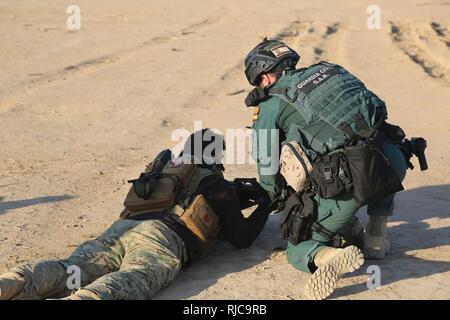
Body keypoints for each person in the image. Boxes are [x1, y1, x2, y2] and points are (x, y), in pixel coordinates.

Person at [0, 129, 271, 300]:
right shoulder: (213, 182)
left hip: (122, 228)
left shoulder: (162, 171)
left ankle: (12, 283)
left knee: (73, 268)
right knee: (137, 275)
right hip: (161, 238)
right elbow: (242, 238)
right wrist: (264, 205)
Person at [244, 39, 410, 299]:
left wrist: (275, 196)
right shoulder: (332, 70)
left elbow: (266, 165)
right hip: (392, 161)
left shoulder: (271, 103)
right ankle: (376, 241)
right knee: (374, 155)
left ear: (264, 76)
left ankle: (331, 256)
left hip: (350, 181)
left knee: (296, 249)